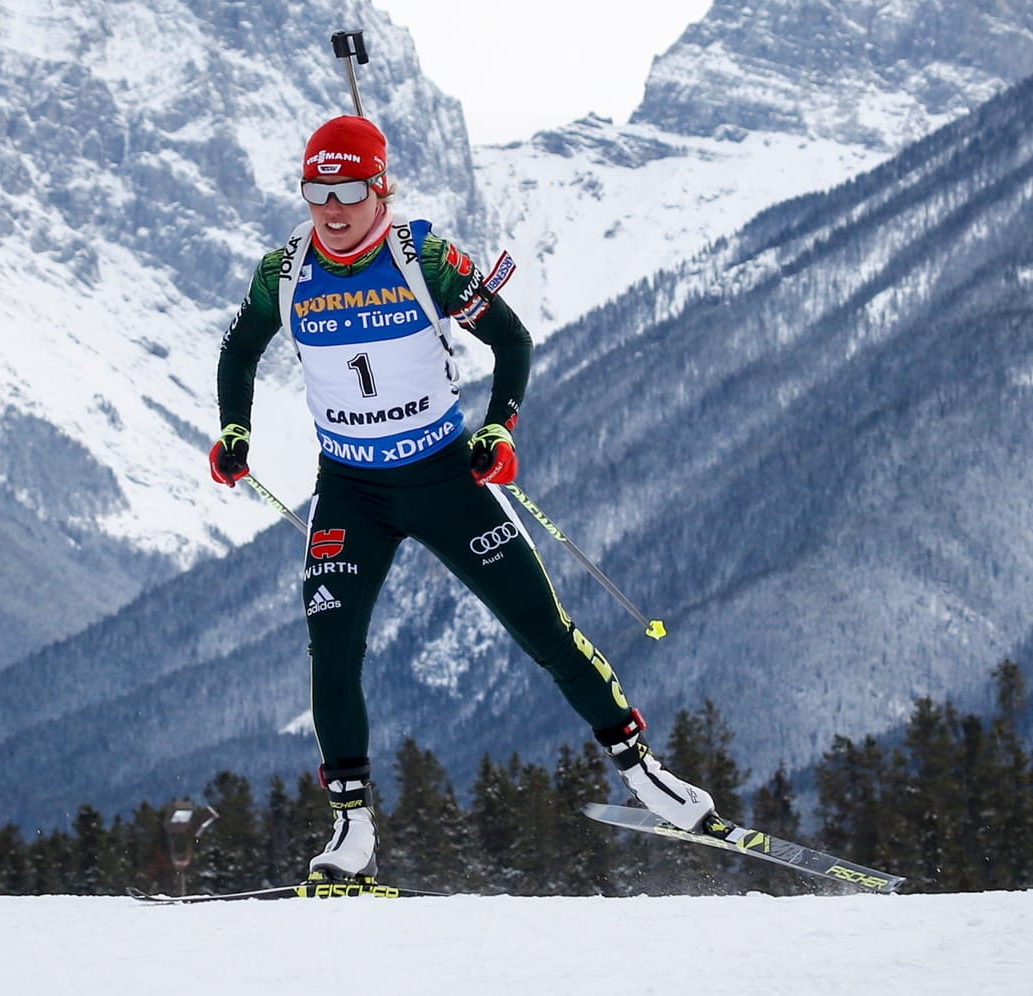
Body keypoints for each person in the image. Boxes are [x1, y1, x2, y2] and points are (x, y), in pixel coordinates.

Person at [212, 115, 714, 882]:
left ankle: (642, 769)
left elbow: (511, 341)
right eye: (316, 191)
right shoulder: (283, 272)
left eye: (348, 190)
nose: (331, 208)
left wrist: (499, 431)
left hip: (446, 477)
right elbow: (239, 348)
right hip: (351, 489)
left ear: (381, 189)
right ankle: (352, 828)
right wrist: (235, 431)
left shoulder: (427, 260)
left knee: (542, 629)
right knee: (333, 646)